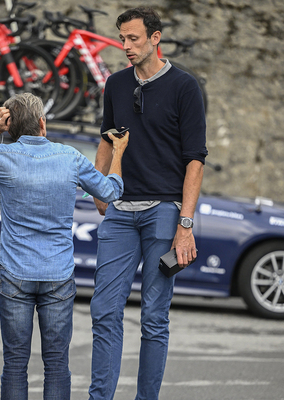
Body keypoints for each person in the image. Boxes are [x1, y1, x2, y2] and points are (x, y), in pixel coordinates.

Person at [0, 93, 129, 400]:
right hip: (58, 274)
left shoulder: (3, 157)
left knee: (15, 364)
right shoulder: (70, 157)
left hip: (14, 273)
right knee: (57, 365)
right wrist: (118, 152)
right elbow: (111, 191)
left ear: (11, 127)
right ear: (42, 124)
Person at [88, 7, 208, 400]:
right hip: (120, 212)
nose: (125, 46)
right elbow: (107, 139)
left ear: (155, 38)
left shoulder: (184, 87)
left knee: (154, 318)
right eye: (122, 38)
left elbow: (195, 159)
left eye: (133, 38)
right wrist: (98, 187)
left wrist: (185, 224)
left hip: (164, 212)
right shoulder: (116, 84)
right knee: (104, 312)